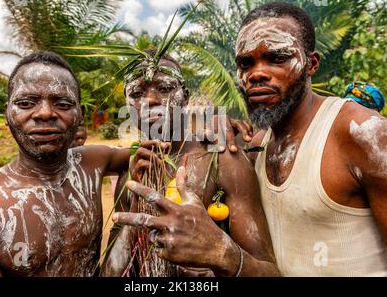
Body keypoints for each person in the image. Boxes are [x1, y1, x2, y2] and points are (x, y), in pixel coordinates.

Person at [114, 2, 387, 276]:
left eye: (277, 58)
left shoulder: (360, 131)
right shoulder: (254, 144)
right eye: (246, 63)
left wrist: (220, 251)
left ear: (311, 63)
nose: (256, 73)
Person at [0, 51, 131, 276]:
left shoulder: (94, 162)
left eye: (62, 104)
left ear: (80, 114)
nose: (45, 113)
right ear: (8, 112)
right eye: (26, 103)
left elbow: (158, 152)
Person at [101, 50, 279, 277]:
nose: (150, 100)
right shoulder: (131, 171)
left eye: (164, 88)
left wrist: (218, 251)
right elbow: (112, 271)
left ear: (185, 97)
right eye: (137, 92)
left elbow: (268, 271)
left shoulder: (221, 157)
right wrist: (136, 211)